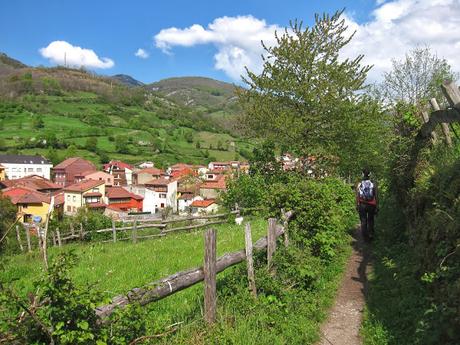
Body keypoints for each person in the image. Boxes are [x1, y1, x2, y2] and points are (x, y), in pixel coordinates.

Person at [356, 168, 378, 242]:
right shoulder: (373, 183)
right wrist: (377, 206)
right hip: (371, 204)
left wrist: (357, 205)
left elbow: (357, 195)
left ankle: (365, 237)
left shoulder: (359, 184)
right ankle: (371, 234)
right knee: (371, 220)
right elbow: (376, 195)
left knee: (363, 221)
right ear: (370, 174)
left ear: (362, 174)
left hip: (362, 204)